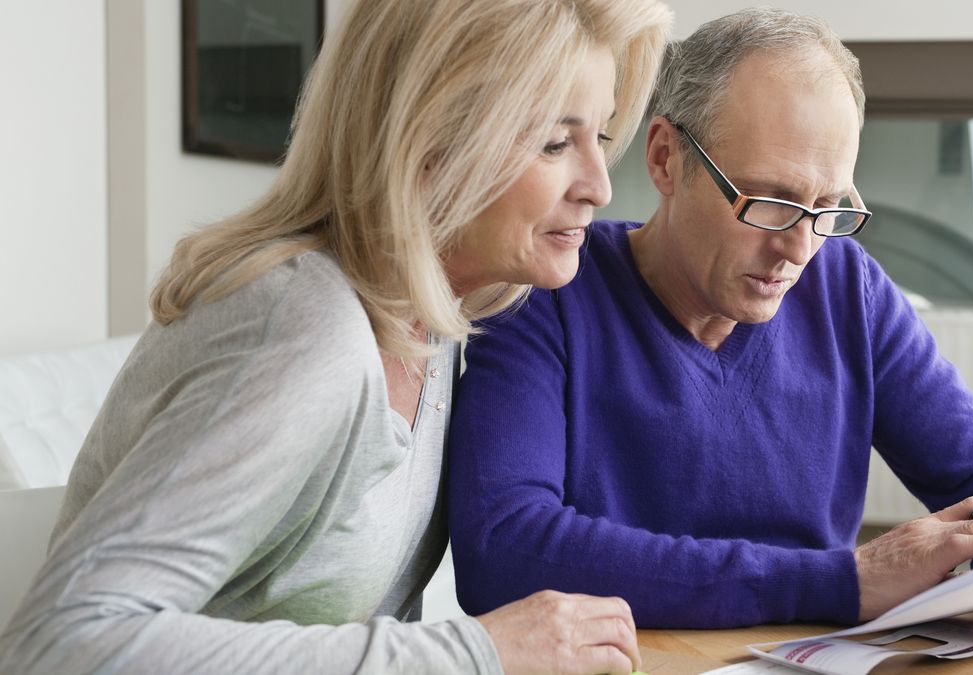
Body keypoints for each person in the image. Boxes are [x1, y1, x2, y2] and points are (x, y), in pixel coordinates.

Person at [0, 0, 670, 673]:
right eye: (557, 142)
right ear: (431, 143)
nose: (600, 187)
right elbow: (61, 643)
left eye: (602, 137)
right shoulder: (305, 330)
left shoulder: (428, 323)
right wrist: (471, 653)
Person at [448, 8, 973, 659]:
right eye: (771, 201)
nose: (800, 249)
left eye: (829, 208)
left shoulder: (846, 287)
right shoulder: (542, 289)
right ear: (664, 158)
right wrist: (842, 579)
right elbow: (504, 548)